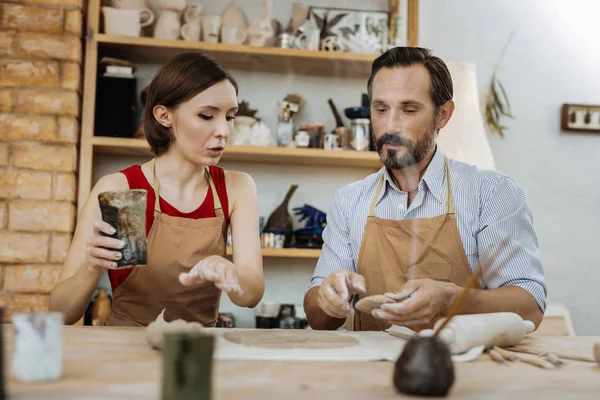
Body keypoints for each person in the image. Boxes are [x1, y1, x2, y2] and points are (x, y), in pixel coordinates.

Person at [303, 47, 546, 332]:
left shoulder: (491, 194)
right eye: (380, 109)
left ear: (443, 114)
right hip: (367, 370)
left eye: (408, 110)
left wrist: (453, 301)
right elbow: (317, 317)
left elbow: (530, 307)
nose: (390, 125)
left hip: (464, 369)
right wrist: (328, 299)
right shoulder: (349, 200)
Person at [49, 52, 264, 326]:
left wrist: (230, 272)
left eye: (230, 117)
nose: (223, 130)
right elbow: (61, 314)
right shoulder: (123, 189)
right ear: (164, 116)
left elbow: (252, 294)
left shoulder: (236, 188)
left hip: (196, 349)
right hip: (125, 350)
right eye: (207, 115)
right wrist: (93, 267)